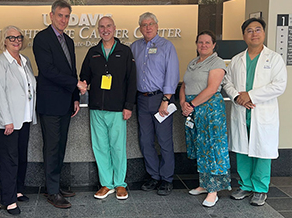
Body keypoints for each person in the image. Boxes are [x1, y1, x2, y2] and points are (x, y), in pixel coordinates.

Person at [223, 18, 287, 206]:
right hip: (242, 111)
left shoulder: (274, 58)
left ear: (264, 33)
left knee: (262, 151)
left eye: (258, 30)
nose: (254, 34)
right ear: (244, 36)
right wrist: (237, 97)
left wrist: (250, 95)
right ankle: (245, 185)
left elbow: (279, 86)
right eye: (249, 31)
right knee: (243, 151)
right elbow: (227, 82)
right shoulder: (237, 60)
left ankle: (260, 188)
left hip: (262, 112)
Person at [32, 0, 87, 209]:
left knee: (61, 146)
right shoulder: (42, 39)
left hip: (66, 103)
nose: (63, 19)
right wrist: (76, 84)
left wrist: (75, 96)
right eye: (60, 15)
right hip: (50, 104)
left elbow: (71, 71)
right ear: (51, 15)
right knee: (52, 147)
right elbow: (48, 71)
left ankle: (54, 185)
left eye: (67, 16)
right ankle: (52, 191)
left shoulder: (69, 41)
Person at [80, 16, 136, 200]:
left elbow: (131, 81)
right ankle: (106, 184)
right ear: (98, 30)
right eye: (102, 27)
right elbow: (84, 76)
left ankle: (120, 183)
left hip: (118, 109)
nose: (105, 30)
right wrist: (80, 85)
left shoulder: (124, 52)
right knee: (100, 147)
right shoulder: (93, 52)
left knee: (117, 148)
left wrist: (128, 106)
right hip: (96, 109)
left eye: (108, 26)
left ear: (114, 28)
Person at [0, 25, 37, 215]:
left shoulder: (25, 61)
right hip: (6, 123)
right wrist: (7, 120)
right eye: (11, 38)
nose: (16, 40)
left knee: (20, 158)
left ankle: (17, 190)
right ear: (4, 41)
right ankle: (8, 200)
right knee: (8, 161)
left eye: (19, 37)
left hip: (23, 119)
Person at [179, 30, 231, 207]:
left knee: (213, 147)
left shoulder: (217, 62)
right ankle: (204, 184)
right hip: (193, 108)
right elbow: (184, 84)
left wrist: (191, 104)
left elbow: (211, 89)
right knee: (201, 147)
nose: (203, 45)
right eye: (200, 42)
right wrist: (183, 103)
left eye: (207, 42)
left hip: (210, 110)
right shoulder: (194, 62)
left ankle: (213, 190)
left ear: (214, 45)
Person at [130, 12, 180, 195]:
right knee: (145, 140)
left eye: (151, 24)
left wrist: (166, 100)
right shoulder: (134, 47)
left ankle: (167, 179)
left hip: (161, 100)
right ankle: (154, 176)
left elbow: (172, 74)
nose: (148, 27)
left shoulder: (167, 46)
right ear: (140, 28)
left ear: (157, 26)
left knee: (164, 141)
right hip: (141, 100)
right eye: (144, 24)